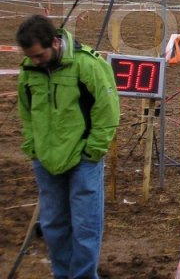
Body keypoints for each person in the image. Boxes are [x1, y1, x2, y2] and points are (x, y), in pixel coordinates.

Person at [16, 14, 120, 279]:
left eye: (39, 55)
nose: (35, 61)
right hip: (46, 159)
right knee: (53, 225)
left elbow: (107, 111)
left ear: (54, 42)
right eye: (31, 56)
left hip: (83, 160)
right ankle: (62, 274)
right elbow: (26, 111)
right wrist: (33, 147)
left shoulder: (88, 65)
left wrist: (93, 151)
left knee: (86, 228)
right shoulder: (29, 70)